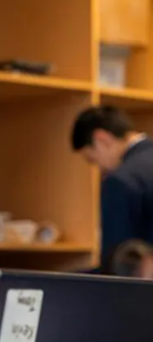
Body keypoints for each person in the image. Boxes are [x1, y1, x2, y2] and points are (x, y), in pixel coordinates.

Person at [71, 105, 153, 271]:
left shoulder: (121, 180)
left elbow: (117, 266)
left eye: (92, 159)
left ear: (102, 139)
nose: (100, 170)